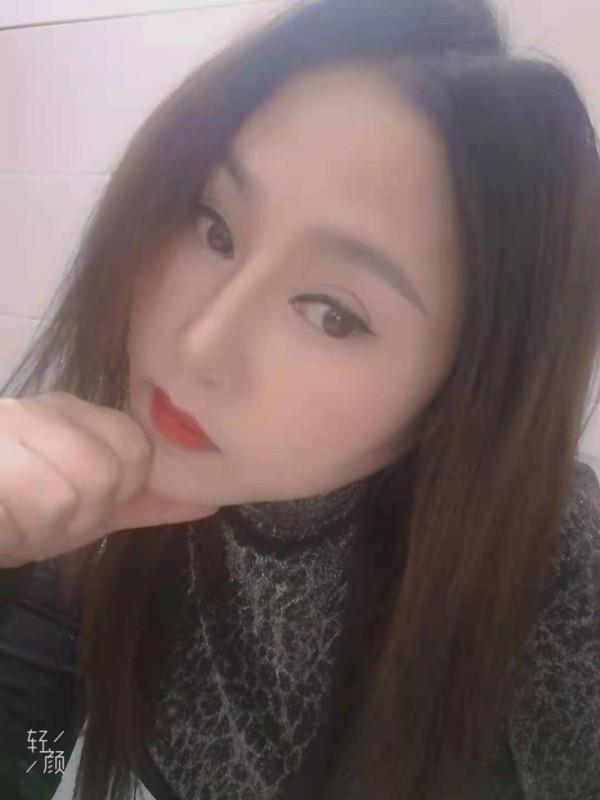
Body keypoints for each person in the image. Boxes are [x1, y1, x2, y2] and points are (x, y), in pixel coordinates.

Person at [0, 0, 599, 797]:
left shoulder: (556, 580)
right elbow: (32, 737)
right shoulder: (122, 456)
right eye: (213, 225)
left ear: (467, 382)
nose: (200, 345)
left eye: (332, 314)